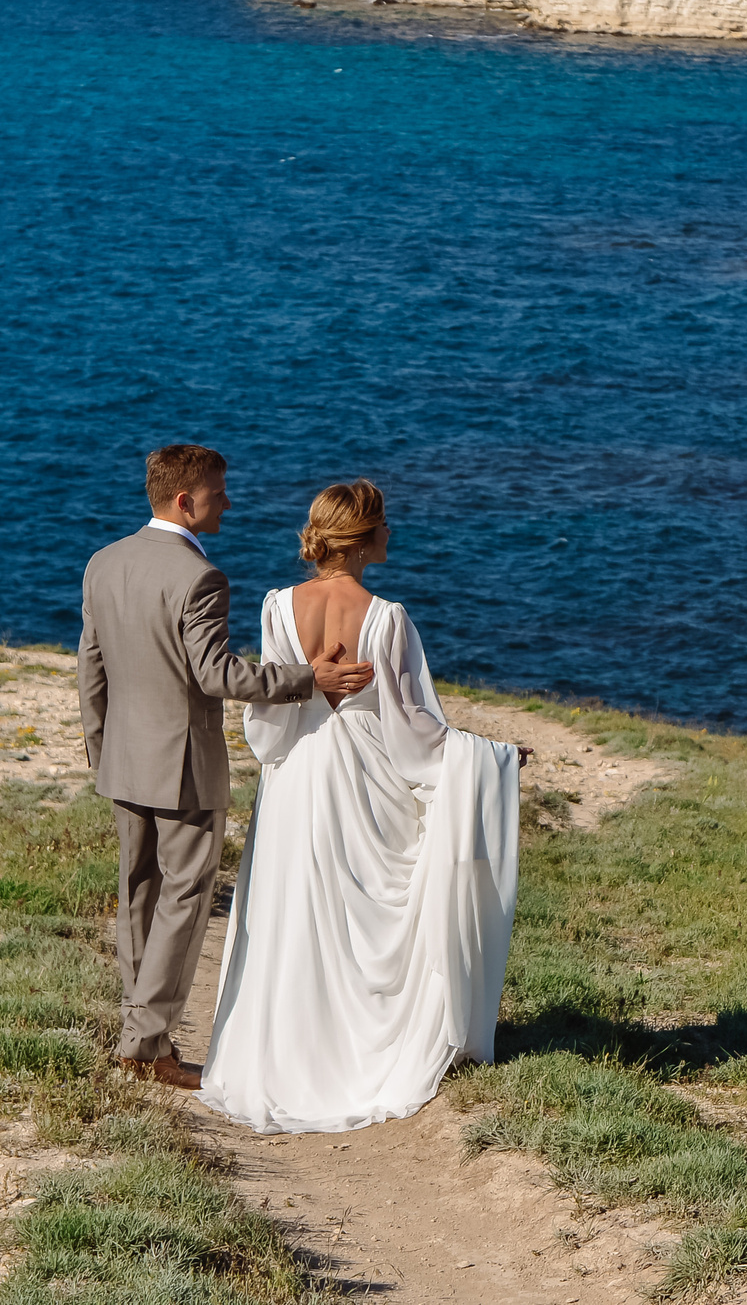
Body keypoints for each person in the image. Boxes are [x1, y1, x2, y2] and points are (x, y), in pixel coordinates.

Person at [197, 480, 524, 1133]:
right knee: (361, 914)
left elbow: (269, 715)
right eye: (383, 523)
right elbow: (416, 730)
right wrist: (496, 755)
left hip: (298, 775)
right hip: (365, 779)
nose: (391, 532)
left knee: (295, 911)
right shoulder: (386, 617)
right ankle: (359, 1052)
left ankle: (288, 1055)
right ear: (362, 539)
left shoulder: (277, 606)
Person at [78, 444, 375, 1090]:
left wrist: (102, 752)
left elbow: (91, 669)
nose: (229, 503)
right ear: (186, 501)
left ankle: (143, 1035)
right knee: (183, 901)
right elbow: (217, 675)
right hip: (183, 767)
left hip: (123, 761)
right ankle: (145, 1045)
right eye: (219, 492)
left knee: (138, 897)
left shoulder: (104, 562)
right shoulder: (200, 578)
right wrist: (308, 679)